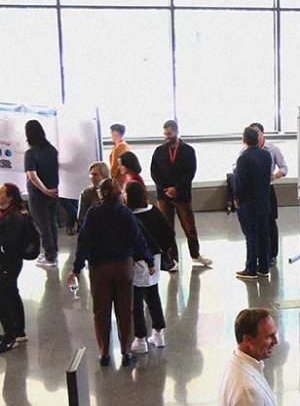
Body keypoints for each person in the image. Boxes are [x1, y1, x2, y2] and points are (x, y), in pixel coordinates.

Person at [67, 179, 155, 367]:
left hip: (99, 269)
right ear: (119, 194)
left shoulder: (93, 214)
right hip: (123, 267)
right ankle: (126, 352)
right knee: (125, 311)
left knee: (101, 311)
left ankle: (104, 353)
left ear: (101, 194)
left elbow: (84, 242)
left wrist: (76, 267)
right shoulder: (125, 213)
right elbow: (137, 240)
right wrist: (149, 260)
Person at [150, 119, 212, 267]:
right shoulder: (159, 151)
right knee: (167, 228)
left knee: (189, 226)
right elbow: (154, 172)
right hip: (163, 196)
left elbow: (190, 172)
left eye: (169, 133)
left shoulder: (188, 150)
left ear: (176, 132)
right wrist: (166, 188)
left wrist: (176, 188)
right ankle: (173, 259)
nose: (167, 137)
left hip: (182, 195)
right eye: (165, 134)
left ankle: (195, 254)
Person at [219, 308, 281, 406]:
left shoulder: (238, 362)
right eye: (269, 336)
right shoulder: (247, 390)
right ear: (247, 340)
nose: (276, 341)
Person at [125, 182, 168, 354]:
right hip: (155, 259)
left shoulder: (128, 216)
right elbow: (168, 234)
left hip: (136, 261)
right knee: (153, 295)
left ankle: (140, 338)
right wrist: (160, 249)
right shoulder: (154, 212)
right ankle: (158, 334)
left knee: (136, 300)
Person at [234, 126, 273, 281]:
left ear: (244, 140)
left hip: (249, 204)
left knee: (251, 236)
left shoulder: (243, 158)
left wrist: (237, 198)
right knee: (264, 234)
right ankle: (264, 267)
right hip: (264, 200)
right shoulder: (266, 155)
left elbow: (241, 182)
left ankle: (250, 269)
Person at [249, 123, 287, 267]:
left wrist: (274, 176)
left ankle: (272, 254)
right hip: (253, 192)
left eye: (257, 132)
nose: (254, 135)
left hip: (267, 190)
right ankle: (259, 254)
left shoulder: (272, 149)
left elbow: (284, 168)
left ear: (262, 133)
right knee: (256, 224)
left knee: (270, 222)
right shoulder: (246, 150)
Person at [23, 120, 60, 268]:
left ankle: (50, 257)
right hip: (54, 192)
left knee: (43, 225)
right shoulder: (52, 150)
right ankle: (54, 253)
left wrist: (44, 190)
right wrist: (51, 190)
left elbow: (32, 176)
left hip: (38, 195)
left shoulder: (30, 153)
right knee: (52, 223)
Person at [0, 183, 29, 353]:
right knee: (11, 292)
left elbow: (8, 242)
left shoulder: (14, 217)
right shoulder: (7, 214)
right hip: (9, 261)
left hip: (10, 261)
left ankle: (11, 335)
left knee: (3, 296)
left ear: (9, 197)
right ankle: (19, 331)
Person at [78, 162, 110, 230]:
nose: (92, 178)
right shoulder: (86, 193)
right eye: (91, 175)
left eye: (95, 175)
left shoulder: (114, 192)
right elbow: (81, 217)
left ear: (104, 175)